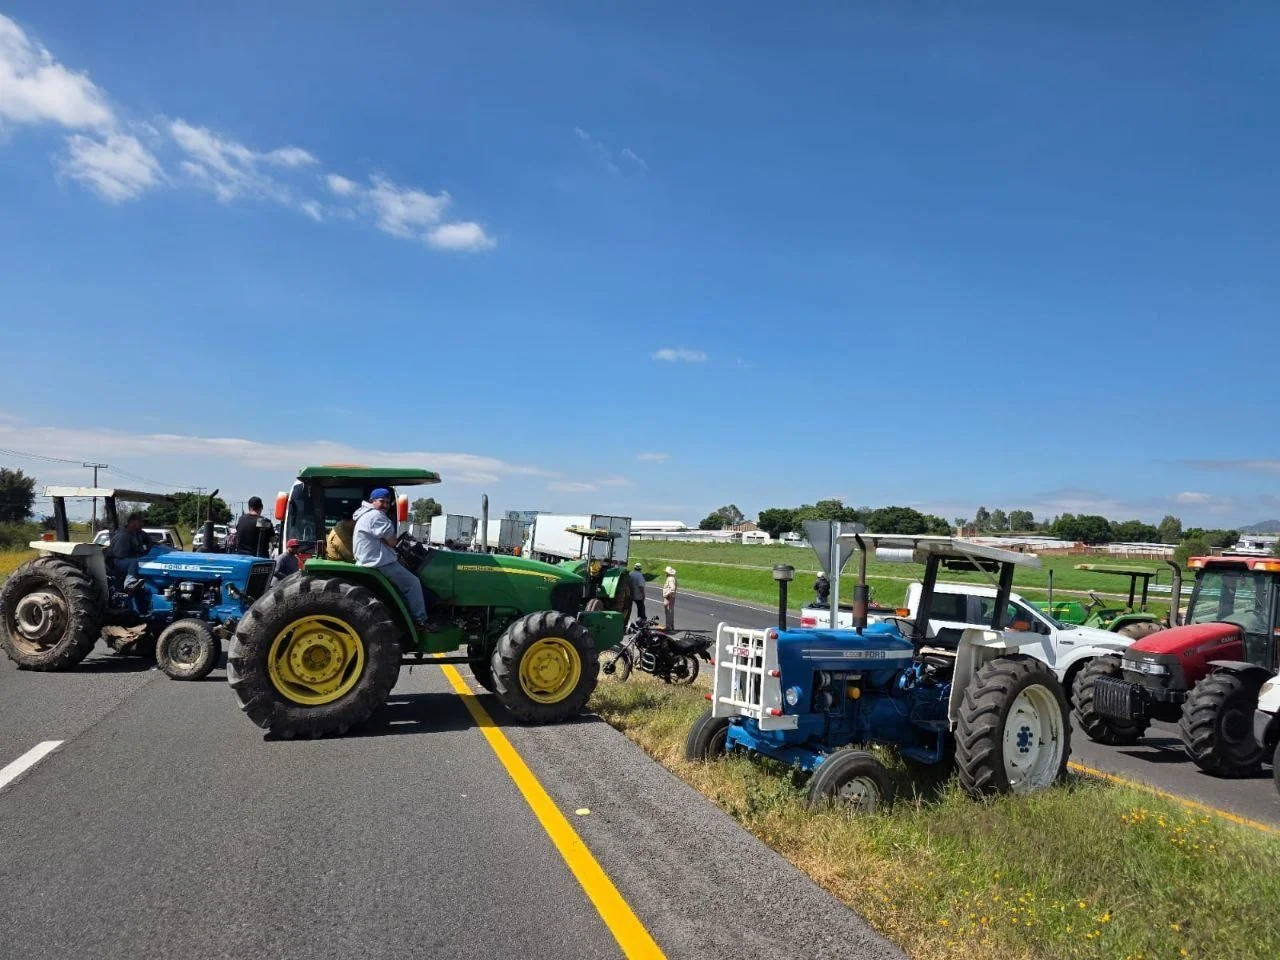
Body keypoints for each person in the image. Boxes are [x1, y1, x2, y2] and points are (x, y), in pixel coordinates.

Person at [353, 488, 428, 629]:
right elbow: (392, 542)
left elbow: (388, 541)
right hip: (378, 561)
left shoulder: (365, 514)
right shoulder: (376, 516)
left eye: (388, 502)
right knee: (413, 583)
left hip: (369, 558)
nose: (385, 505)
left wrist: (387, 541)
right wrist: (390, 541)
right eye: (382, 501)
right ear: (372, 501)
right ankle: (420, 620)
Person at [107, 512, 152, 580]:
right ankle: (130, 581)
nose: (142, 524)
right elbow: (119, 555)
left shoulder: (140, 533)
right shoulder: (123, 535)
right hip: (116, 561)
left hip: (130, 558)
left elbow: (150, 542)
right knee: (134, 562)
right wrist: (138, 552)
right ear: (132, 523)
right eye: (140, 522)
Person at [662, 565, 678, 631]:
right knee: (671, 611)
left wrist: (668, 595)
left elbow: (673, 589)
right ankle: (671, 625)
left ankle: (668, 626)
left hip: (669, 597)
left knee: (668, 612)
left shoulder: (670, 579)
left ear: (668, 573)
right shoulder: (673, 578)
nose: (665, 573)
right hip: (672, 597)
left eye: (666, 572)